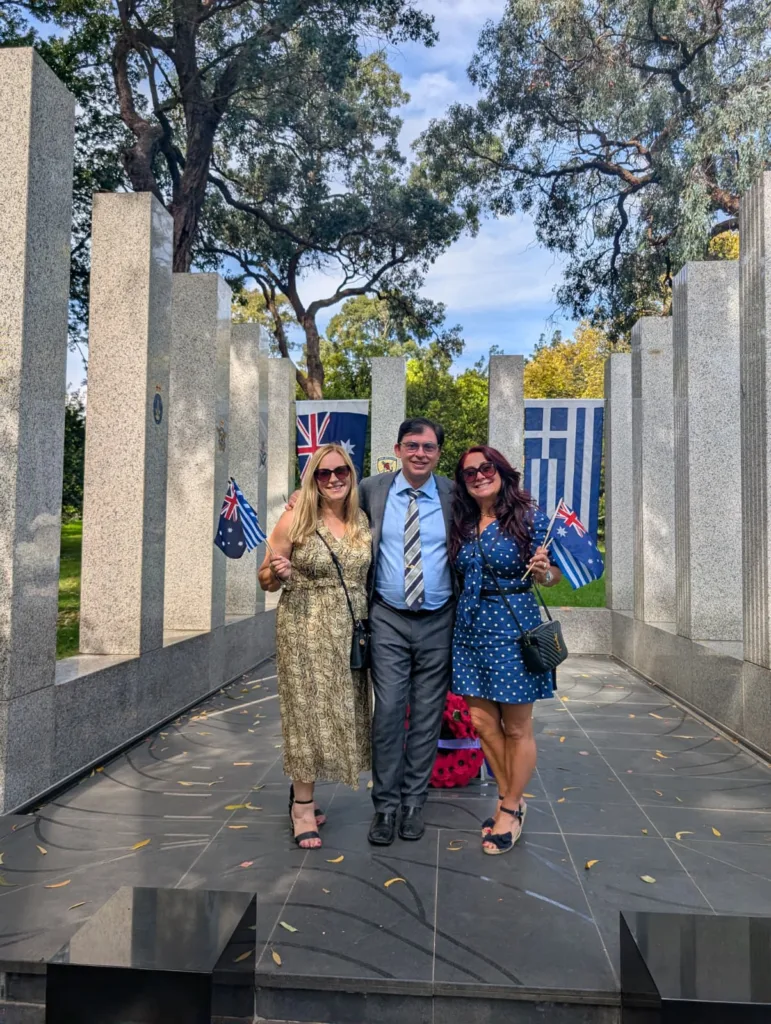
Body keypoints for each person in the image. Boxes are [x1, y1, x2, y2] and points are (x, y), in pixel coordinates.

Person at [258, 444, 371, 850]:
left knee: (340, 712)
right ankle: (302, 807)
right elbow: (265, 579)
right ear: (312, 480)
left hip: (351, 631)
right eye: (324, 473)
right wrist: (276, 571)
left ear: (351, 474)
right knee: (306, 714)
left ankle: (301, 792)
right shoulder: (297, 516)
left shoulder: (361, 518)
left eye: (341, 471)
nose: (334, 479)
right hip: (304, 627)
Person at [450, 445, 562, 855]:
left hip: (514, 629)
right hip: (469, 632)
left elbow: (553, 575)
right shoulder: (462, 522)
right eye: (470, 472)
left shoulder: (529, 518)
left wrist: (544, 572)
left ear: (501, 472)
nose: (479, 476)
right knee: (482, 723)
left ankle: (511, 807)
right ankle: (507, 796)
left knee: (516, 728)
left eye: (487, 468)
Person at [359, 418, 456, 845]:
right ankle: (385, 806)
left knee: (428, 714)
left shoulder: (455, 495)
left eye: (428, 447)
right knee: (389, 711)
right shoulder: (371, 490)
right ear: (398, 449)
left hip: (439, 619)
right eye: (412, 445)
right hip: (388, 618)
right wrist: (295, 502)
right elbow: (330, 509)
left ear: (438, 453)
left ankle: (414, 802)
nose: (420, 453)